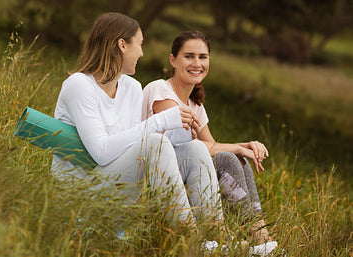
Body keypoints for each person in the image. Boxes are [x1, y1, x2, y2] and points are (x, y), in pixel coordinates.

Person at [51, 13, 224, 234]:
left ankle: (217, 237)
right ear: (122, 45)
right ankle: (191, 239)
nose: (142, 53)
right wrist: (161, 120)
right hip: (83, 192)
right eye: (140, 44)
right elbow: (102, 153)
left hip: (118, 182)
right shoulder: (79, 85)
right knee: (155, 143)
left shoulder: (131, 87)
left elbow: (130, 147)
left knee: (196, 149)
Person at [142, 30, 277, 253]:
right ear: (173, 60)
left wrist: (245, 147)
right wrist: (238, 147)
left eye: (202, 57)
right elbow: (179, 147)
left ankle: (261, 236)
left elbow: (211, 150)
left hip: (186, 169)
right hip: (154, 171)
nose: (197, 63)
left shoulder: (196, 105)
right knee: (229, 155)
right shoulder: (160, 90)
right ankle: (247, 235)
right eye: (189, 56)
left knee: (234, 159)